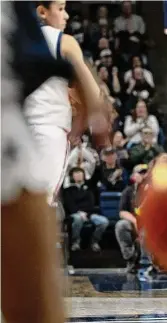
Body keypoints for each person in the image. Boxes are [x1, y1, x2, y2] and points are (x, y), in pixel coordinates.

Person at [24, 1, 111, 207]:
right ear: (42, 12)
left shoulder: (11, 39)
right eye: (61, 9)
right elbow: (94, 93)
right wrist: (85, 127)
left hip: (14, 130)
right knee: (40, 208)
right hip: (48, 131)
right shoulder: (64, 42)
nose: (67, 17)